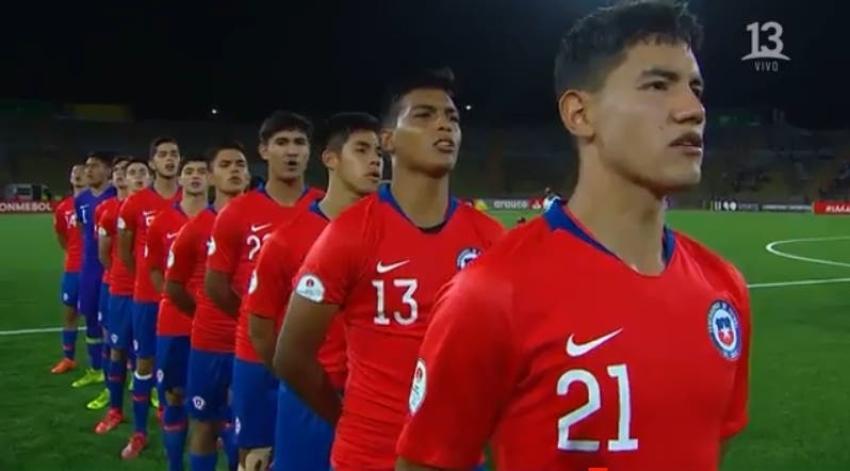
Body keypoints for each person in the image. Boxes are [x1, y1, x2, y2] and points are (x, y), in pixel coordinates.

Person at [395, 3, 751, 471]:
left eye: (695, 88)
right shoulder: (490, 294)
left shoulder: (724, 290)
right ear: (580, 114)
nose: (693, 109)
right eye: (658, 85)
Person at [274, 69, 504, 471]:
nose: (443, 125)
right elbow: (291, 354)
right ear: (388, 140)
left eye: (452, 117)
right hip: (369, 454)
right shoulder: (349, 234)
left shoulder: (491, 239)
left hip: (460, 456)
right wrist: (344, 416)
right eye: (423, 115)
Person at [245, 112, 383, 470]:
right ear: (330, 159)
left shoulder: (393, 234)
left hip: (375, 400)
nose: (375, 161)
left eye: (379, 152)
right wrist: (301, 380)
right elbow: (259, 331)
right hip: (309, 400)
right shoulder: (286, 239)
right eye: (362, 149)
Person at [204, 111, 323, 470]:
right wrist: (256, 317)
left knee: (307, 453)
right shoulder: (237, 213)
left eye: (299, 143)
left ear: (310, 152)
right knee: (252, 454)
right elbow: (216, 286)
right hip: (255, 354)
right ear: (264, 150)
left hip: (313, 355)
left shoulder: (328, 208)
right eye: (282, 142)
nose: (291, 151)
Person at [166, 142, 248, 471]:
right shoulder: (195, 228)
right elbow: (173, 285)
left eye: (240, 164)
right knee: (204, 424)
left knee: (248, 430)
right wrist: (203, 314)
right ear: (212, 176)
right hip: (209, 343)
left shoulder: (268, 223)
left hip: (254, 345)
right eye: (225, 164)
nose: (234, 170)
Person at [118, 137, 182, 459]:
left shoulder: (192, 199)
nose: (169, 159)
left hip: (183, 300)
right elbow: (126, 251)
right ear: (153, 162)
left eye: (174, 154)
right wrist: (146, 277)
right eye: (163, 154)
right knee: (144, 364)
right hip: (147, 297)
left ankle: (187, 423)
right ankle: (139, 433)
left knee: (177, 367)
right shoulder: (135, 203)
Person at [147, 155, 212, 471]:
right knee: (174, 397)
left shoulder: (230, 219)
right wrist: (178, 303)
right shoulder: (162, 222)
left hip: (218, 328)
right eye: (190, 171)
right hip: (175, 323)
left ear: (210, 179)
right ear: (181, 181)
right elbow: (156, 272)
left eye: (202, 171)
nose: (196, 176)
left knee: (220, 403)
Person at [94, 158, 152, 434]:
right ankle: (115, 409)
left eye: (143, 172)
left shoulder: (163, 209)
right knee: (117, 349)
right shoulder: (109, 212)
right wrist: (127, 274)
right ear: (124, 180)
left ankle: (158, 401)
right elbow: (105, 253)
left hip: (151, 294)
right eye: (132, 173)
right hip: (121, 289)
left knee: (150, 354)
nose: (138, 177)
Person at [87, 156, 131, 410]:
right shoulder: (105, 209)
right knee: (112, 341)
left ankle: (147, 388)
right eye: (116, 171)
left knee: (145, 347)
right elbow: (103, 253)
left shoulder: (151, 207)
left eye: (124, 170)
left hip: (143, 289)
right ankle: (110, 391)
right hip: (113, 284)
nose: (120, 175)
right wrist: (117, 273)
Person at [73, 152, 118, 388]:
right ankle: (95, 369)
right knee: (90, 317)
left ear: (108, 170)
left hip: (112, 268)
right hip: (89, 267)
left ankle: (124, 374)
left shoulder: (116, 196)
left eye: (95, 166)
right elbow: (83, 231)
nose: (89, 170)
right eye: (87, 166)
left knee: (116, 324)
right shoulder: (81, 200)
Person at [50, 164, 87, 374]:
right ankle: (68, 358)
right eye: (74, 172)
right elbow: (61, 237)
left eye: (82, 171)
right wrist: (73, 254)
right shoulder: (63, 208)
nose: (78, 175)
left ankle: (105, 364)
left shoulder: (98, 204)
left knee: (101, 319)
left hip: (95, 269)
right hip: (73, 267)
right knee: (70, 313)